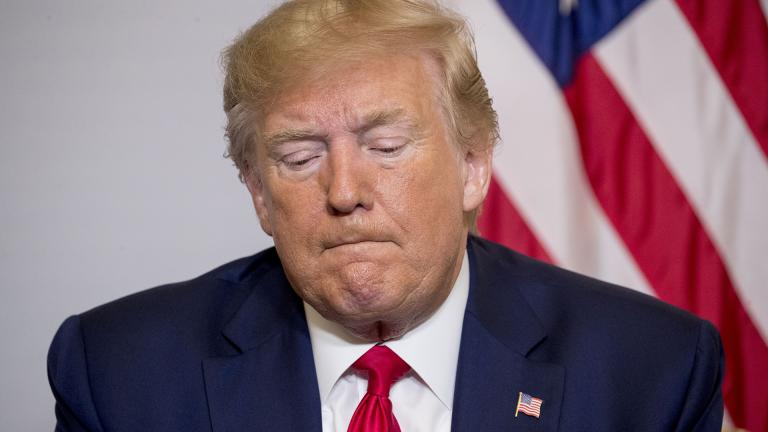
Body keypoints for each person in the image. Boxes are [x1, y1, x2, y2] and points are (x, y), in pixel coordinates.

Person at [47, 0, 724, 431]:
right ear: (258, 193)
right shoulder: (119, 374)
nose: (345, 191)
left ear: (473, 165)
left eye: (386, 147)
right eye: (300, 156)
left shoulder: (650, 373)